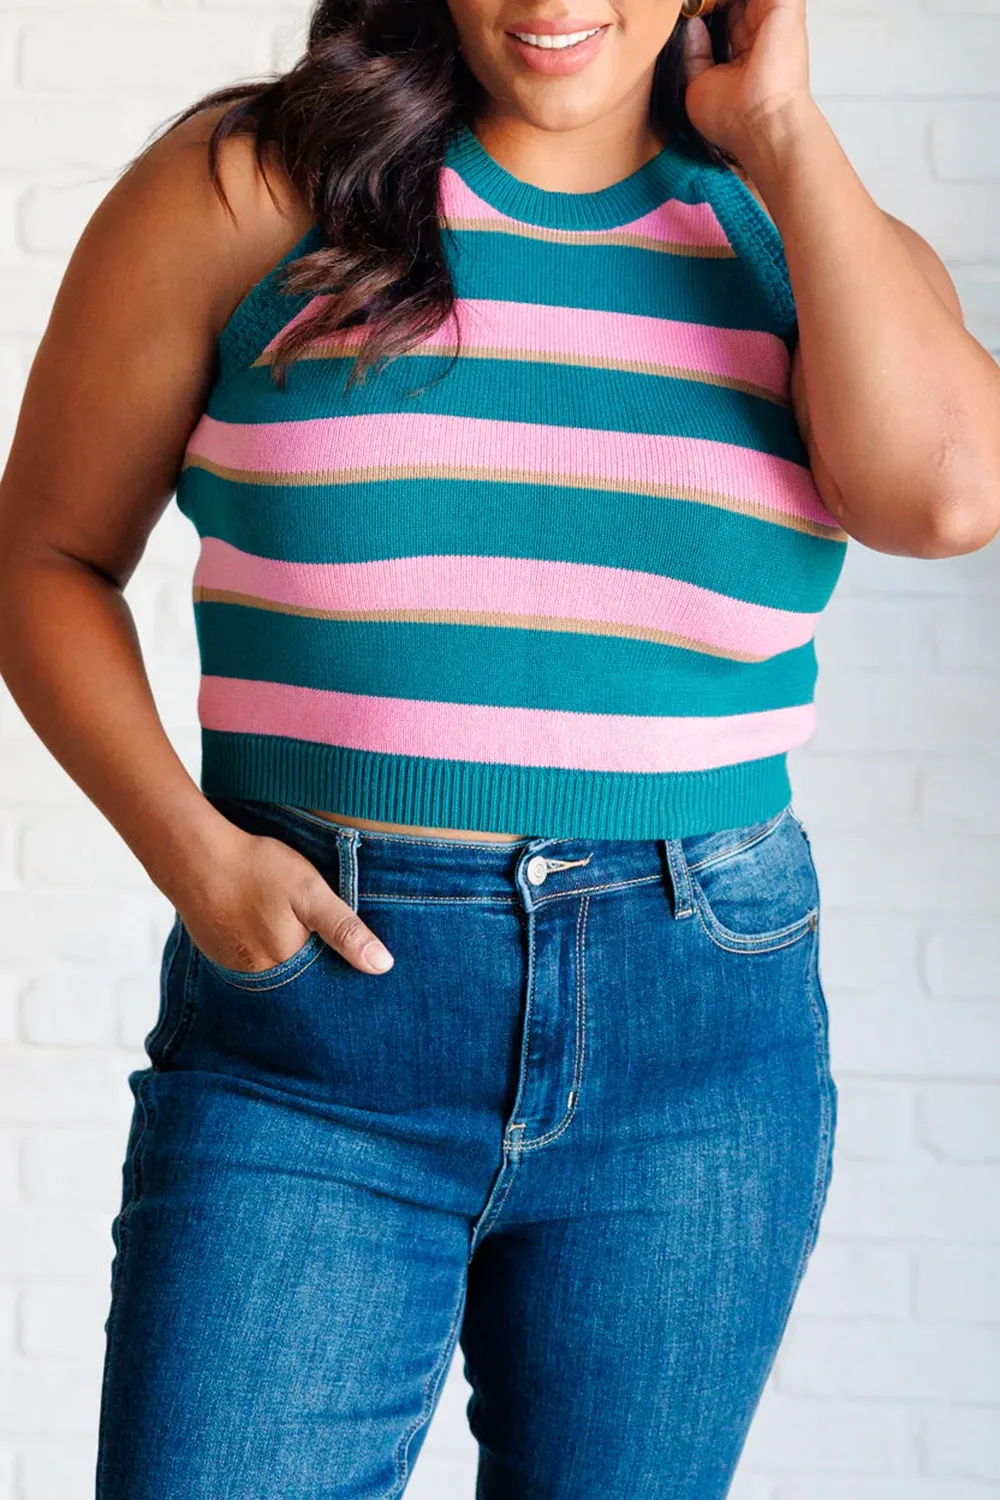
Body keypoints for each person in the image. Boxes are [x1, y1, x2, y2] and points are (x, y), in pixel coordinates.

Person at [1, 0, 999, 1495]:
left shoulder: (795, 234)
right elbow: (43, 556)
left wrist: (783, 134)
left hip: (696, 1047)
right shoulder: (250, 191)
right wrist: (194, 859)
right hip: (312, 1041)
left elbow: (949, 497)